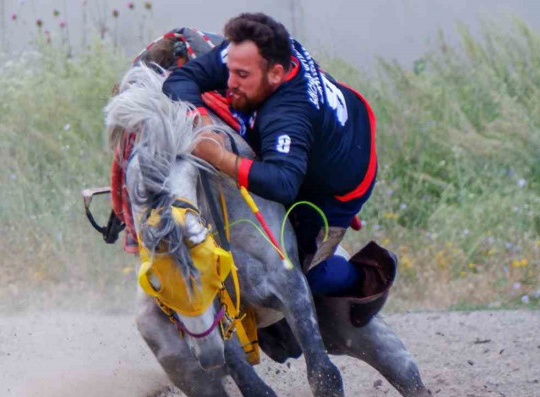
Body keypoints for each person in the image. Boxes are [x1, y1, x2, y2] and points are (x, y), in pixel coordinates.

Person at [160, 13, 394, 325]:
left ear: (276, 73)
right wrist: (202, 122)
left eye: (242, 76)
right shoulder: (251, 53)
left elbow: (282, 183)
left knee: (305, 279)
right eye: (229, 70)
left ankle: (368, 274)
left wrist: (218, 156)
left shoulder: (287, 115)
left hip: (345, 179)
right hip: (331, 125)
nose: (229, 84)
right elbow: (178, 80)